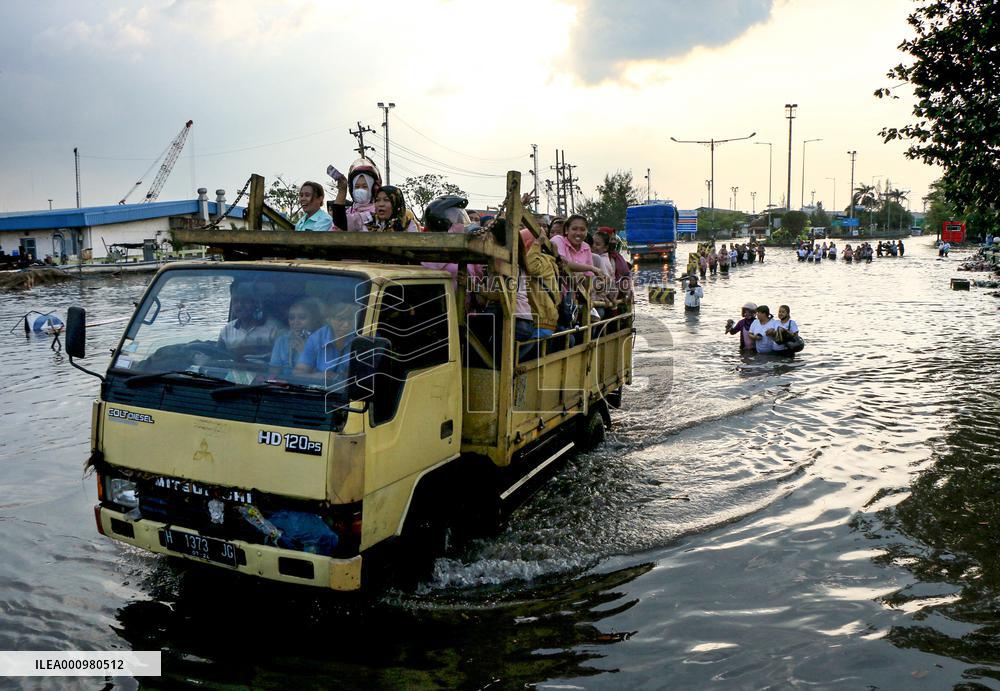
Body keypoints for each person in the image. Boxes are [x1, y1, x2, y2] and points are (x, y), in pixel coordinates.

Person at [295, 300, 359, 381]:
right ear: (329, 320)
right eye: (340, 319)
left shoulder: (364, 336)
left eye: (350, 319)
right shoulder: (316, 339)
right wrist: (320, 376)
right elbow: (299, 373)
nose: (346, 324)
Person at [218, 284, 281, 357]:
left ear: (256, 303)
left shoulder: (275, 329)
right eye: (235, 301)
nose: (240, 305)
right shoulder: (226, 330)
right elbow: (217, 356)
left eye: (245, 301)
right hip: (233, 368)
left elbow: (281, 359)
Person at [269, 297, 323, 376]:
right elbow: (273, 372)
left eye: (302, 317)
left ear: (314, 320)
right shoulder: (282, 340)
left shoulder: (322, 342)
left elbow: (323, 377)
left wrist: (306, 353)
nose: (296, 322)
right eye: (291, 318)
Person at [330, 157, 382, 232]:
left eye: (365, 187)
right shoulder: (348, 211)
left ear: (373, 189)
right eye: (357, 187)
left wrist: (342, 191)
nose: (360, 190)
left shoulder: (378, 211)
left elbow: (341, 222)